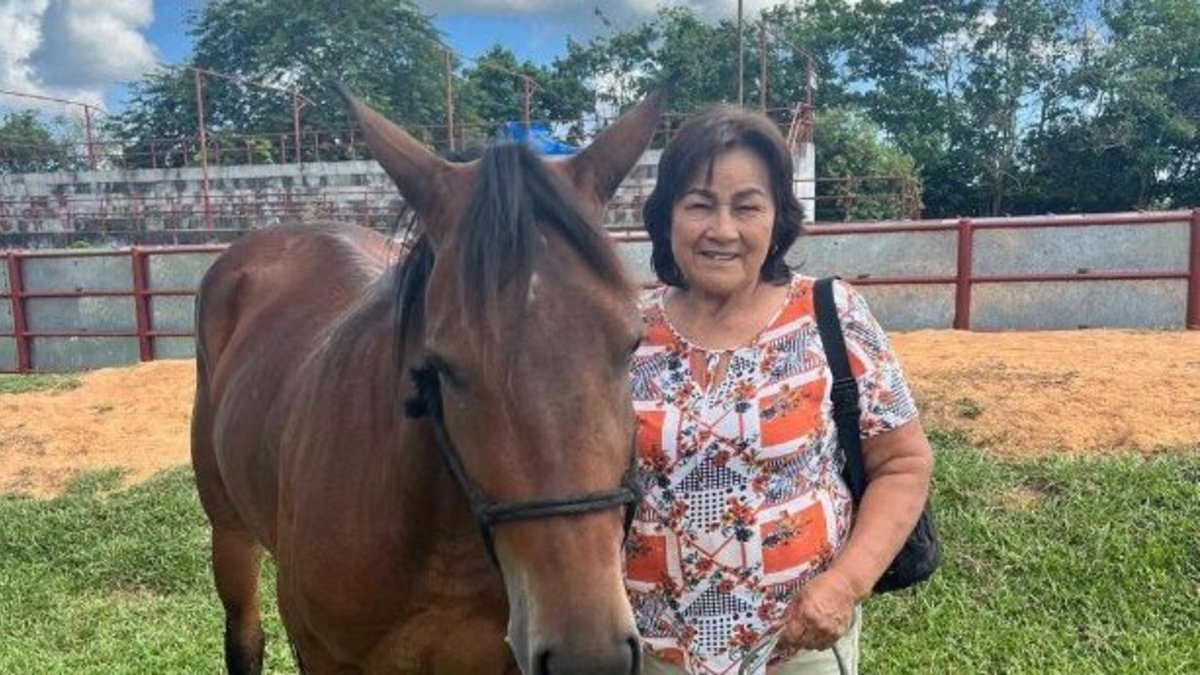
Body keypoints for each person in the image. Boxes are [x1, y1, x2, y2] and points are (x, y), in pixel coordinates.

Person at [624, 105, 934, 675]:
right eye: (699, 204)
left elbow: (904, 464)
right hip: (651, 650)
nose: (722, 229)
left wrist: (845, 584)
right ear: (667, 215)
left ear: (776, 219)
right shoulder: (626, 332)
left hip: (795, 648)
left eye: (747, 206)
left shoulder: (829, 314)